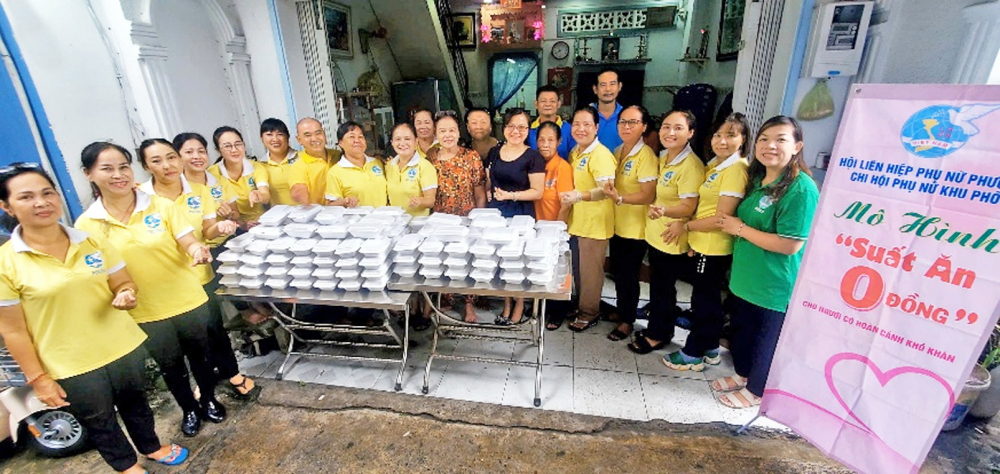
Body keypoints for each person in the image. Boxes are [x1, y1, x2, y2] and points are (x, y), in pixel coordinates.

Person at [0, 163, 188, 474]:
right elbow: (13, 331)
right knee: (98, 419)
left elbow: (123, 281)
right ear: (7, 206)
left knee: (137, 404)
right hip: (70, 360)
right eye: (27, 197)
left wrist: (127, 293)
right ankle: (126, 465)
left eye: (48, 193)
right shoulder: (7, 264)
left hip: (122, 345)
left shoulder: (90, 241)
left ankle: (152, 447)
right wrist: (39, 379)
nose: (41, 202)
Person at [76, 142, 226, 438]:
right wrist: (118, 293)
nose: (118, 175)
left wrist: (198, 251)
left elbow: (189, 240)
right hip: (144, 309)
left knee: (202, 357)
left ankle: (208, 399)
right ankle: (189, 409)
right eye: (107, 169)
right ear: (89, 174)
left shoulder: (161, 206)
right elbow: (95, 272)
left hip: (187, 298)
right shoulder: (87, 224)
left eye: (123, 166)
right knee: (170, 365)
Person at [136, 139, 260, 399]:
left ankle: (231, 372)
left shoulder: (199, 192)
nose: (167, 165)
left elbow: (207, 230)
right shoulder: (141, 199)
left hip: (201, 272)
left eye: (170, 158)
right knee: (181, 342)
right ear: (146, 165)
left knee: (214, 328)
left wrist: (222, 227)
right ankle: (200, 384)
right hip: (165, 281)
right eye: (157, 160)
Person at [712, 116, 819, 409]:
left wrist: (740, 229)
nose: (770, 145)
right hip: (746, 278)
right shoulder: (759, 180)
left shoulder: (801, 189)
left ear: (797, 146)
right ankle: (743, 374)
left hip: (774, 284)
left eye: (781, 139)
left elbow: (790, 244)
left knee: (765, 340)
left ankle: (758, 389)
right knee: (742, 332)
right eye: (764, 139)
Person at [661, 113, 751, 373]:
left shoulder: (735, 170)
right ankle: (710, 347)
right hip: (703, 243)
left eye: (731, 135)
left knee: (704, 302)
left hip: (714, 246)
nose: (722, 141)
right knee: (706, 297)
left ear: (744, 139)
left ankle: (693, 353)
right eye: (718, 134)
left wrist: (686, 226)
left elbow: (722, 218)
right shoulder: (716, 165)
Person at [628, 110, 705, 354]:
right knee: (658, 285)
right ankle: (657, 327)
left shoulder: (691, 165)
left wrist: (664, 211)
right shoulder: (664, 157)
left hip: (672, 236)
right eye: (666, 127)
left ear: (691, 133)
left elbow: (689, 206)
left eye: (678, 128)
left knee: (664, 288)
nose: (670, 132)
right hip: (657, 234)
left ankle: (658, 335)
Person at [602, 106, 658, 341]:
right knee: (617, 271)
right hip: (617, 224)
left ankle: (627, 321)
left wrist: (621, 198)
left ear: (644, 126)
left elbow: (648, 194)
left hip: (635, 228)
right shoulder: (618, 150)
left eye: (632, 122)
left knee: (629, 275)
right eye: (623, 122)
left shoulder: (646, 156)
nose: (626, 127)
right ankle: (621, 309)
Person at [559, 106, 616, 333]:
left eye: (586, 125)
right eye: (576, 124)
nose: (581, 129)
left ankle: (589, 313)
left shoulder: (600, 155)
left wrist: (579, 195)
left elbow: (606, 190)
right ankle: (581, 305)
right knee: (580, 269)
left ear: (596, 128)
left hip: (595, 223)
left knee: (591, 271)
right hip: (578, 221)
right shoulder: (577, 152)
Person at [426, 110, 486, 324]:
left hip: (467, 216)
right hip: (441, 218)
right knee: (446, 257)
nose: (447, 135)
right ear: (436, 133)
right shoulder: (430, 158)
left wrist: (478, 218)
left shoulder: (471, 157)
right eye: (442, 130)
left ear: (459, 132)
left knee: (468, 258)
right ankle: (447, 297)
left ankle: (469, 302)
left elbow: (479, 191)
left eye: (451, 130)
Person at [486, 108, 545, 325]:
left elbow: (538, 191)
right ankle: (506, 303)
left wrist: (511, 195)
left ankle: (519, 303)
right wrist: (489, 193)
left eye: (522, 127)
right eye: (511, 126)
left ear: (528, 130)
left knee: (516, 261)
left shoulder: (533, 156)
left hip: (520, 214)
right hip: (497, 213)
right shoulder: (495, 151)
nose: (516, 131)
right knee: (501, 260)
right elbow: (489, 179)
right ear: (504, 128)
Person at [533, 121, 575, 331]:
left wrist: (558, 229)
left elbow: (566, 202)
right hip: (535, 228)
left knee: (558, 271)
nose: (545, 144)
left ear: (559, 141)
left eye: (551, 139)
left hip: (555, 227)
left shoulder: (562, 168)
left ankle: (558, 313)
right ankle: (539, 308)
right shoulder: (534, 163)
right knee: (539, 270)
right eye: (541, 139)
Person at [207, 126, 270, 228]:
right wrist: (241, 225)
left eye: (238, 144)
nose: (234, 150)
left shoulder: (256, 167)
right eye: (227, 146)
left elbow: (265, 196)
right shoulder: (212, 174)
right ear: (218, 150)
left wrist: (259, 195)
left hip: (260, 221)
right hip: (231, 226)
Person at [325, 121, 388, 207]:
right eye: (351, 137)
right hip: (357, 219)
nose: (357, 141)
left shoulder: (377, 163)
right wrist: (345, 202)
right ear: (341, 143)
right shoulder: (335, 172)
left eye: (361, 137)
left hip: (384, 219)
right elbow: (330, 205)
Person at [174, 132, 232, 221]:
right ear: (177, 157)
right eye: (189, 152)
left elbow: (236, 215)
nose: (197, 156)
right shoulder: (175, 187)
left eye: (201, 151)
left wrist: (229, 214)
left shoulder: (220, 181)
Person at [386, 122, 437, 216]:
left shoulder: (425, 166)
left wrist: (419, 201)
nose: (402, 143)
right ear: (392, 143)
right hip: (395, 223)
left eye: (407, 139)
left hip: (417, 225)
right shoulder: (389, 166)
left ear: (416, 141)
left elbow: (430, 200)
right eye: (397, 139)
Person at [288, 117, 343, 205]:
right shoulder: (298, 167)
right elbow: (298, 190)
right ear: (299, 140)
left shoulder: (338, 155)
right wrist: (302, 198)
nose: (314, 138)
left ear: (324, 134)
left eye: (318, 133)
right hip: (320, 215)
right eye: (308, 135)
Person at [527, 85, 574, 158]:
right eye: (543, 101)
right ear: (536, 104)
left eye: (552, 101)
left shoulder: (570, 129)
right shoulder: (528, 130)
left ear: (558, 104)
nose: (548, 104)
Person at [259, 118, 298, 205]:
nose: (275, 139)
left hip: (308, 214)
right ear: (262, 138)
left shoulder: (301, 158)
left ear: (287, 137)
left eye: (280, 134)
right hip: (279, 216)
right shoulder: (260, 166)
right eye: (269, 134)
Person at [591, 68, 624, 151]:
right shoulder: (587, 115)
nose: (608, 89)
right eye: (603, 85)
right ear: (595, 89)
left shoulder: (626, 115)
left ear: (619, 86)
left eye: (612, 84)